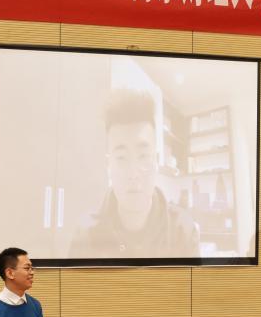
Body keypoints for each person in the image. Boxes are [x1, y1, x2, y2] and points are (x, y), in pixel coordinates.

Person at [69, 89, 200, 259]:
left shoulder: (183, 232)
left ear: (156, 162)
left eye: (143, 156)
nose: (133, 174)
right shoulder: (85, 236)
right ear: (109, 165)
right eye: (121, 158)